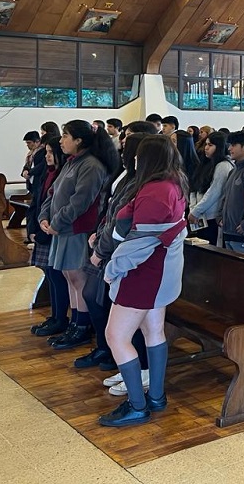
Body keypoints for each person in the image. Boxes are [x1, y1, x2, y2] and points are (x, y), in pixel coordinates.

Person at [99, 135, 188, 427]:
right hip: (160, 270)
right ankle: (157, 397)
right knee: (153, 331)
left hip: (144, 272)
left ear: (146, 159)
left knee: (116, 336)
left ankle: (137, 406)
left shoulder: (155, 191)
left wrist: (112, 267)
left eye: (136, 154)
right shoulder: (174, 184)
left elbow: (140, 243)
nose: (132, 158)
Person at [38, 120, 119, 351]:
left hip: (76, 228)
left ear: (79, 140)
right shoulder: (72, 162)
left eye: (65, 136)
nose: (61, 141)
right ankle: (74, 323)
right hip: (60, 229)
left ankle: (81, 326)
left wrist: (57, 222)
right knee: (68, 276)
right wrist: (44, 217)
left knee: (78, 278)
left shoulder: (91, 165)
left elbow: (81, 202)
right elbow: (53, 193)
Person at [77, 132, 149, 373]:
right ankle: (105, 348)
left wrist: (102, 245)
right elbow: (110, 207)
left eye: (127, 144)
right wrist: (99, 230)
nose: (121, 147)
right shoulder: (126, 174)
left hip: (118, 249)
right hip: (106, 241)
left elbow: (123, 220)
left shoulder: (142, 181)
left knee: (102, 299)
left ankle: (119, 357)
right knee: (94, 296)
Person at [28, 137, 70, 337]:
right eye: (46, 153)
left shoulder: (63, 173)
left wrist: (49, 224)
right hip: (44, 227)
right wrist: (35, 225)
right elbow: (39, 200)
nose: (47, 157)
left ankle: (61, 318)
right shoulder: (49, 172)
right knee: (50, 274)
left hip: (56, 230)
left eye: (51, 153)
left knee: (56, 275)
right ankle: (55, 316)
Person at [187, 131, 232, 243]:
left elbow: (214, 192)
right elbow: (194, 188)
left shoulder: (223, 165)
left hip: (211, 216)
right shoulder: (206, 163)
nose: (206, 148)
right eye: (206, 144)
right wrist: (193, 209)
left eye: (210, 145)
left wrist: (196, 211)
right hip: (199, 215)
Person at [219, 130, 244, 252]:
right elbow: (225, 196)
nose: (229, 148)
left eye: (233, 145)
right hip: (229, 230)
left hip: (243, 233)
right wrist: (220, 216)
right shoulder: (234, 169)